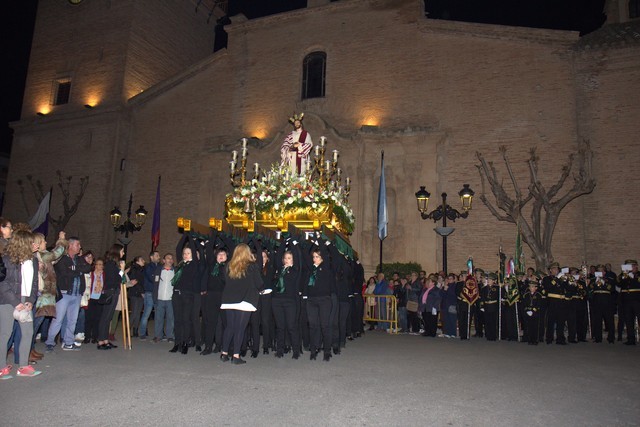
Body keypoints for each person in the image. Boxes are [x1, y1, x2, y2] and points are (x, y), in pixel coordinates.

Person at [0, 229, 40, 377]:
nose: (35, 245)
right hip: (8, 300)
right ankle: (1, 367)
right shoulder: (6, 259)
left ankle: (23, 366)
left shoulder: (33, 260)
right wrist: (16, 302)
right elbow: (2, 283)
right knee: (5, 333)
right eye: (32, 242)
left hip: (25, 300)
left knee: (28, 332)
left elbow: (34, 283)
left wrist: (30, 301)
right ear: (23, 244)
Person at [45, 236, 91, 352]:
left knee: (72, 320)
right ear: (70, 245)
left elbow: (88, 268)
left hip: (77, 294)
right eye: (77, 245)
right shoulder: (62, 259)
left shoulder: (79, 259)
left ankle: (68, 342)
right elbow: (65, 273)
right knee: (58, 319)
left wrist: (75, 268)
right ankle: (50, 342)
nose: (79, 247)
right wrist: (78, 269)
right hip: (65, 293)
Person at [220, 244, 262, 365]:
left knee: (229, 327)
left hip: (228, 299)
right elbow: (259, 283)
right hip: (245, 300)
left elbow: (225, 281)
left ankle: (224, 353)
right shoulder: (252, 266)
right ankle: (236, 356)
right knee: (240, 328)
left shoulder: (228, 265)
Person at [271, 240, 302, 359]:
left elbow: (298, 257)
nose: (286, 260)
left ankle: (296, 351)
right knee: (280, 327)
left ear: (293, 260)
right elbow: (278, 254)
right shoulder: (280, 269)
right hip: (277, 301)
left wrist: (293, 243)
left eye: (289, 258)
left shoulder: (295, 270)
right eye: (285, 258)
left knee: (291, 326)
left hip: (290, 302)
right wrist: (284, 242)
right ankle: (280, 350)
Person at [97, 244, 124, 350]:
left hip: (114, 291)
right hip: (110, 292)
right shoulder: (110, 264)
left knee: (109, 317)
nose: (123, 253)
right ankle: (100, 341)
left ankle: (105, 339)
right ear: (117, 252)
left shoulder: (113, 264)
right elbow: (117, 279)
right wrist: (121, 270)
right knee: (105, 317)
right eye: (122, 251)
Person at [139, 251, 161, 340]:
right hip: (150, 292)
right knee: (146, 314)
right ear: (151, 257)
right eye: (157, 255)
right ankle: (142, 333)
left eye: (159, 255)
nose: (159, 257)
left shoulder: (159, 267)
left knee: (158, 314)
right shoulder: (148, 267)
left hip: (157, 293)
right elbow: (152, 278)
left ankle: (158, 334)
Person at [83, 258, 105, 344]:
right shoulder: (91, 274)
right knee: (89, 318)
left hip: (100, 298)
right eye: (98, 264)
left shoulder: (104, 275)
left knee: (97, 319)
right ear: (95, 265)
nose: (100, 266)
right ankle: (87, 336)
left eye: (101, 265)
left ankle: (95, 336)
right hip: (91, 298)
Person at [154, 253, 175, 343]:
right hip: (160, 298)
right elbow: (155, 284)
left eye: (171, 258)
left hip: (171, 299)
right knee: (159, 318)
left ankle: (170, 335)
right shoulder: (158, 270)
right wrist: (154, 297)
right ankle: (158, 335)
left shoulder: (175, 271)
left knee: (170, 318)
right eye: (168, 258)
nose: (170, 260)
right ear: (163, 260)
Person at [618, 259, 639, 345]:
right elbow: (619, 284)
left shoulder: (638, 274)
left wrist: (632, 276)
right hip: (626, 300)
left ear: (635, 266)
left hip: (637, 300)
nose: (630, 268)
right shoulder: (623, 275)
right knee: (629, 320)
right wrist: (625, 276)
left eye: (632, 266)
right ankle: (631, 339)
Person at [127, 256, 145, 338]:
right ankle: (127, 330)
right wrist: (141, 292)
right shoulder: (134, 269)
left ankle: (135, 330)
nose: (144, 261)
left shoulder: (141, 269)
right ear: (137, 261)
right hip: (135, 293)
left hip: (140, 293)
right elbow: (135, 282)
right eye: (142, 260)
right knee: (134, 312)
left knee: (138, 313)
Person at [441, 273, 458, 338]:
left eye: (451, 279)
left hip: (452, 305)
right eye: (448, 279)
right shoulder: (445, 286)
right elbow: (442, 295)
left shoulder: (455, 286)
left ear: (454, 280)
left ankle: (453, 333)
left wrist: (448, 289)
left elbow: (454, 295)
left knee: (452, 319)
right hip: (445, 305)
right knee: (447, 319)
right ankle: (447, 332)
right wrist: (445, 289)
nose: (449, 280)